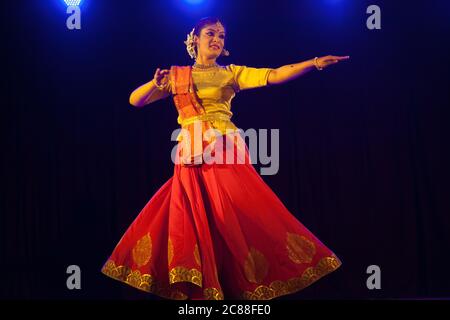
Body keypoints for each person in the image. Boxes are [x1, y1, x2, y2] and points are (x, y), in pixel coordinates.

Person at [101, 17, 350, 300]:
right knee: (196, 216)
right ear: (194, 39)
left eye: (221, 35)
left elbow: (275, 75)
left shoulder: (231, 73)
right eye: (210, 34)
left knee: (232, 214)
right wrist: (154, 84)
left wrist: (313, 63)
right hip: (190, 153)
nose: (217, 39)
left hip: (224, 149)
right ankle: (210, 289)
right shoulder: (177, 75)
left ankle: (247, 279)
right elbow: (136, 100)